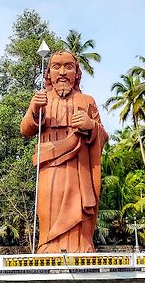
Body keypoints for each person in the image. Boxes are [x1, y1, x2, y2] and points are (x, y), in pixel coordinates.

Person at [20, 51, 108, 253]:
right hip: (49, 164)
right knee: (48, 203)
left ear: (77, 74)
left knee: (79, 206)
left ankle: (82, 246)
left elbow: (103, 136)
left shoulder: (87, 100)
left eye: (68, 67)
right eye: (56, 67)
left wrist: (91, 126)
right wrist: (34, 110)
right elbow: (25, 129)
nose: (62, 72)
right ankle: (48, 247)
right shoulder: (41, 99)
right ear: (48, 74)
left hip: (79, 165)